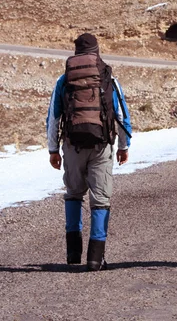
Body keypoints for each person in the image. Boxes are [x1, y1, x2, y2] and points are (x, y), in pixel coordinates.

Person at [46, 33, 132, 271]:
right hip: (101, 146)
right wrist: (124, 146)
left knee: (73, 194)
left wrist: (53, 149)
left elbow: (53, 119)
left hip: (72, 146)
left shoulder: (64, 80)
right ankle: (95, 259)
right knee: (100, 199)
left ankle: (73, 253)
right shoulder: (108, 80)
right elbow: (122, 116)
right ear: (97, 52)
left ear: (76, 53)